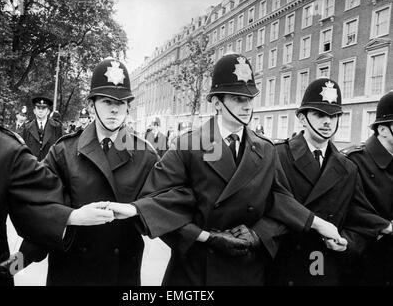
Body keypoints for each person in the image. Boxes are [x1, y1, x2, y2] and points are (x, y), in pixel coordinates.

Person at [108, 54, 346, 286]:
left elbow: (280, 201)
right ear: (216, 103)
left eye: (250, 99)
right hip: (196, 269)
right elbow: (159, 203)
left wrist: (259, 235)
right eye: (237, 99)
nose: (246, 106)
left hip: (247, 268)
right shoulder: (188, 145)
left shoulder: (265, 148)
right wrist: (206, 237)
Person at [0, 30, 116, 285]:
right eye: (39, 107)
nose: (42, 110)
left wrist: (14, 265)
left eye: (45, 107)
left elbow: (42, 214)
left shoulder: (9, 151)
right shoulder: (25, 129)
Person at [16, 58, 160, 285]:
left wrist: (135, 209)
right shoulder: (63, 151)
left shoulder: (145, 156)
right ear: (92, 105)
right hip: (70, 268)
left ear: (128, 107)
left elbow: (164, 203)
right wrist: (16, 263)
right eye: (106, 101)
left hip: (120, 271)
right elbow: (39, 204)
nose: (114, 109)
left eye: (121, 103)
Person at [268, 78, 391, 286]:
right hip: (282, 265)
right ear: (302, 117)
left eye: (334, 116)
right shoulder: (277, 155)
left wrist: (346, 243)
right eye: (319, 115)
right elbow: (270, 202)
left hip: (325, 266)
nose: (328, 122)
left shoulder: (348, 167)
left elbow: (359, 218)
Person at [341, 91, 393, 285]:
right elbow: (346, 207)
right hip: (362, 264)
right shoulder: (353, 161)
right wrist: (385, 227)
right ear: (383, 130)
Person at [21, 96, 62, 161]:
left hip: (50, 167)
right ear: (34, 111)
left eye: (43, 108)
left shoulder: (56, 127)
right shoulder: (27, 128)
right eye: (38, 108)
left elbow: (60, 150)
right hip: (32, 167)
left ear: (48, 111)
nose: (40, 111)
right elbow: (23, 150)